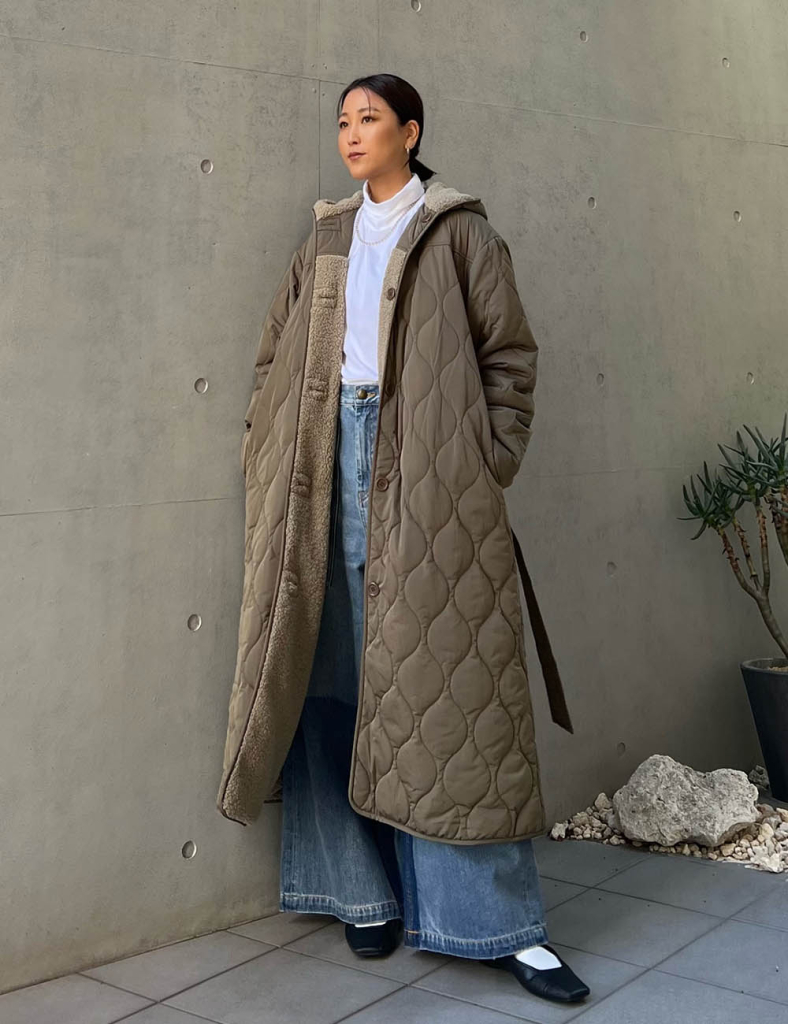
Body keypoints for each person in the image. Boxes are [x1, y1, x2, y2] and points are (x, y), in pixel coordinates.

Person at [216, 73, 590, 1005]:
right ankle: (358, 893)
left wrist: (482, 463)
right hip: (320, 462)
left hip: (426, 473)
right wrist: (266, 442)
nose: (351, 133)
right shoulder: (327, 235)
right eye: (343, 120)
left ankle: (496, 924)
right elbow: (276, 348)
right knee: (324, 669)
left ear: (410, 132)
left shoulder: (460, 232)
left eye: (370, 119)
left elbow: (510, 357)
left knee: (446, 690)